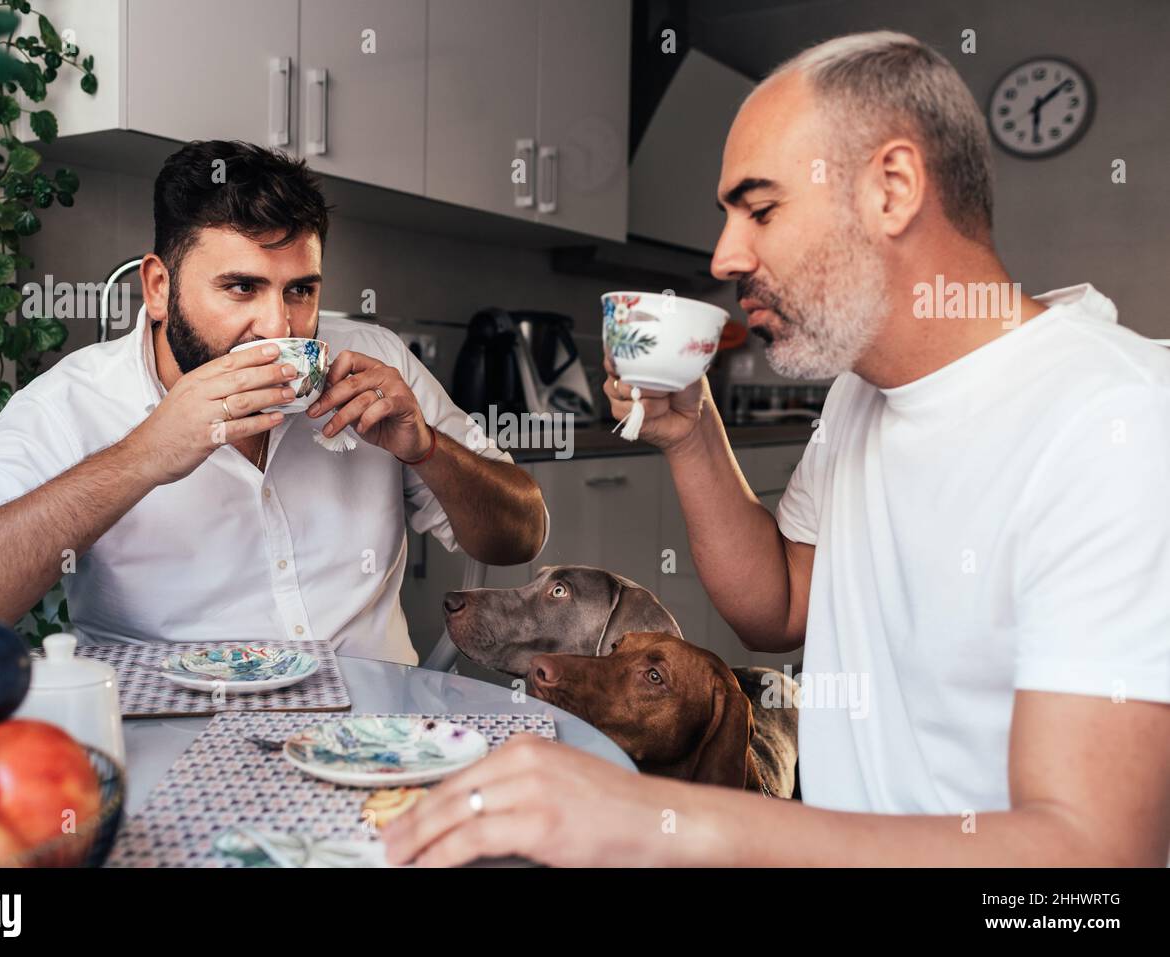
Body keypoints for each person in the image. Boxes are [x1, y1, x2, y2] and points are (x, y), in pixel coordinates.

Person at [383, 31, 1170, 865]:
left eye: (760, 209)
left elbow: (1091, 863)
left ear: (893, 189)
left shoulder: (1114, 423)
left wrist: (658, 820)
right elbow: (779, 608)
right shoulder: (862, 392)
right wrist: (691, 437)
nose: (726, 255)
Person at [0, 141, 546, 664]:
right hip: (175, 751)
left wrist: (427, 448)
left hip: (374, 737)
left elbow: (519, 536)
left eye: (300, 291)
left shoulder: (375, 359)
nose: (279, 328)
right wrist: (143, 455)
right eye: (240, 288)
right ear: (159, 287)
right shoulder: (70, 405)